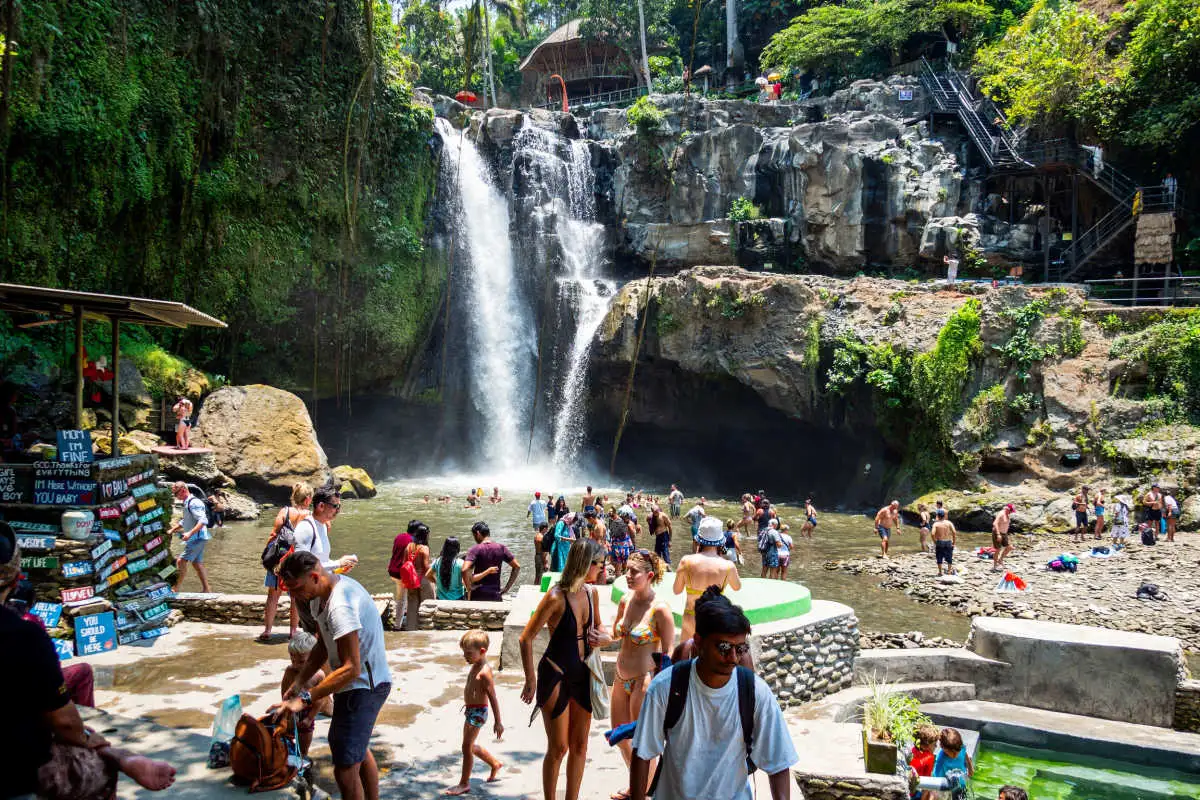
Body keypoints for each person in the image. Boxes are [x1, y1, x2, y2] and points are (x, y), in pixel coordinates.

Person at [1, 522, 177, 799]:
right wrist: (93, 742)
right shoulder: (24, 635)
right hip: (13, 771)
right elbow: (65, 723)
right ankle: (116, 756)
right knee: (90, 759)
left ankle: (116, 754)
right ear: (14, 581)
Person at [629, 586, 799, 800]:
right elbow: (643, 753)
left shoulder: (756, 692)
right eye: (724, 647)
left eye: (741, 648)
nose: (734, 658)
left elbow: (778, 761)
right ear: (699, 642)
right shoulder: (665, 687)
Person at [273, 551, 392, 800]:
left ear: (315, 576)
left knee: (345, 768)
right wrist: (297, 682)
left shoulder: (340, 605)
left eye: (296, 588)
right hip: (354, 685)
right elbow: (323, 645)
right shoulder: (319, 598)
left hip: (364, 687)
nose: (293, 596)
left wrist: (305, 698)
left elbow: (352, 668)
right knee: (355, 748)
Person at [519, 539, 610, 800]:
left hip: (583, 674)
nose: (602, 570)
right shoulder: (556, 596)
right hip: (555, 674)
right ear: (585, 565)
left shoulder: (592, 593)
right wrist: (530, 679)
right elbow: (526, 638)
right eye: (599, 564)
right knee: (558, 748)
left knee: (580, 745)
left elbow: (601, 627)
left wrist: (605, 637)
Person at [610, 550, 675, 800]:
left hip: (643, 680)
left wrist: (657, 682)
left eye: (633, 572)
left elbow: (668, 651)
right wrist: (607, 635)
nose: (627, 575)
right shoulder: (626, 601)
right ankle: (641, 781)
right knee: (618, 733)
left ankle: (643, 789)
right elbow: (617, 633)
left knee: (641, 740)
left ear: (649, 575)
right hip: (620, 675)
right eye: (626, 569)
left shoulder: (660, 610)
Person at [445, 630, 504, 795]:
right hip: (471, 711)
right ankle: (494, 763)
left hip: (478, 712)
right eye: (464, 652)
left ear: (482, 651)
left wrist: (498, 721)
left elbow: (493, 697)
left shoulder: (484, 672)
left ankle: (464, 783)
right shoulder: (475, 665)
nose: (465, 656)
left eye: (468, 653)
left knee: (466, 747)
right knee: (469, 746)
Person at [259, 481, 313, 642]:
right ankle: (293, 631)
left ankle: (268, 630)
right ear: (308, 499)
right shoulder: (309, 516)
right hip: (298, 560)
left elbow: (273, 534)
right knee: (296, 597)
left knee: (273, 596)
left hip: (280, 559)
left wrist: (268, 554)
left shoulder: (285, 511)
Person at [676, 518, 742, 642]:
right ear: (720, 541)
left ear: (699, 539)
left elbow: (677, 590)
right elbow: (737, 587)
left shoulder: (686, 561)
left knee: (686, 654)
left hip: (691, 615)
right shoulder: (728, 566)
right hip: (714, 618)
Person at [281, 631, 334, 757]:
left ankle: (302, 764)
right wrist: (285, 714)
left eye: (301, 661)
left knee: (303, 748)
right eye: (292, 659)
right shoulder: (290, 671)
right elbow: (284, 693)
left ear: (312, 659)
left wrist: (310, 718)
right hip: (290, 714)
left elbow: (320, 700)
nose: (295, 664)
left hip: (306, 716)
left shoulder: (318, 675)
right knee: (285, 744)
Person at [293, 487, 358, 573]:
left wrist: (339, 568)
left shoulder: (323, 526)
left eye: (339, 506)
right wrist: (338, 563)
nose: (338, 510)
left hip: (322, 583)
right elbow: (301, 566)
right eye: (335, 506)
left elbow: (322, 561)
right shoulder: (305, 529)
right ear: (321, 506)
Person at [463, 521, 521, 602]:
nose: (475, 539)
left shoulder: (475, 549)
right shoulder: (501, 547)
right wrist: (507, 588)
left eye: (474, 536)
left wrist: (469, 588)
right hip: (495, 594)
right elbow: (517, 566)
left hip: (478, 595)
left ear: (478, 533)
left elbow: (464, 570)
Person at [170, 481, 211, 592]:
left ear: (183, 490)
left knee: (181, 561)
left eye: (176, 493)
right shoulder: (187, 502)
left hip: (197, 538)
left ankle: (175, 589)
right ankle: (206, 589)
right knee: (197, 563)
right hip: (197, 537)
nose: (175, 497)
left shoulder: (194, 503)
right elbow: (186, 520)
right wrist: (173, 529)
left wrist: (189, 533)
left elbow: (203, 520)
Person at [400, 522, 433, 631]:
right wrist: (434, 578)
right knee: (427, 604)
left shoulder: (408, 547)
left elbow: (404, 563)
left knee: (412, 606)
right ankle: (425, 628)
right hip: (423, 579)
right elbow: (426, 566)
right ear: (425, 535)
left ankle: (411, 629)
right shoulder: (424, 548)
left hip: (411, 581)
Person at [387, 520, 417, 632]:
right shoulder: (412, 540)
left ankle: (403, 617)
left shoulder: (399, 536)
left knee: (402, 596)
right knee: (402, 599)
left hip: (392, 570)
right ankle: (398, 626)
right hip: (401, 573)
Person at [932, 727, 972, 799]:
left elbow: (965, 754)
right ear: (943, 747)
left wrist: (970, 767)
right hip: (947, 788)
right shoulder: (941, 759)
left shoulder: (960, 747)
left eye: (957, 752)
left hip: (961, 784)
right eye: (953, 753)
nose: (955, 755)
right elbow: (936, 777)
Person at [428, 536, 470, 601]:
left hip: (440, 598)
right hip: (457, 598)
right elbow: (467, 585)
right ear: (457, 548)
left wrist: (437, 583)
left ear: (445, 547)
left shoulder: (437, 561)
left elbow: (428, 575)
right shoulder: (461, 563)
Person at [609, 510, 635, 577]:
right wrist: (632, 549)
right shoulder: (626, 536)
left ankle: (618, 579)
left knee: (617, 570)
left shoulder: (615, 538)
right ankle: (624, 577)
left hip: (618, 552)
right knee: (624, 567)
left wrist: (610, 553)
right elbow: (631, 546)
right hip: (626, 552)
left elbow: (612, 547)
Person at [932, 509, 957, 576]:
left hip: (940, 541)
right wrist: (953, 543)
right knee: (949, 557)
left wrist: (935, 542)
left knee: (939, 557)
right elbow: (954, 532)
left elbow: (932, 534)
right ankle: (949, 571)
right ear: (944, 515)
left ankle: (940, 572)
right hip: (948, 541)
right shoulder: (949, 523)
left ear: (938, 516)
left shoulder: (936, 524)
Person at [991, 503, 1014, 571]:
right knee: (998, 549)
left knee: (1010, 547)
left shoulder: (1007, 515)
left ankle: (1000, 560)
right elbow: (995, 523)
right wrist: (998, 534)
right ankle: (995, 566)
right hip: (997, 533)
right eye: (1011, 511)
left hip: (1004, 534)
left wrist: (1006, 535)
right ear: (1007, 509)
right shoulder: (1001, 514)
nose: (1011, 512)